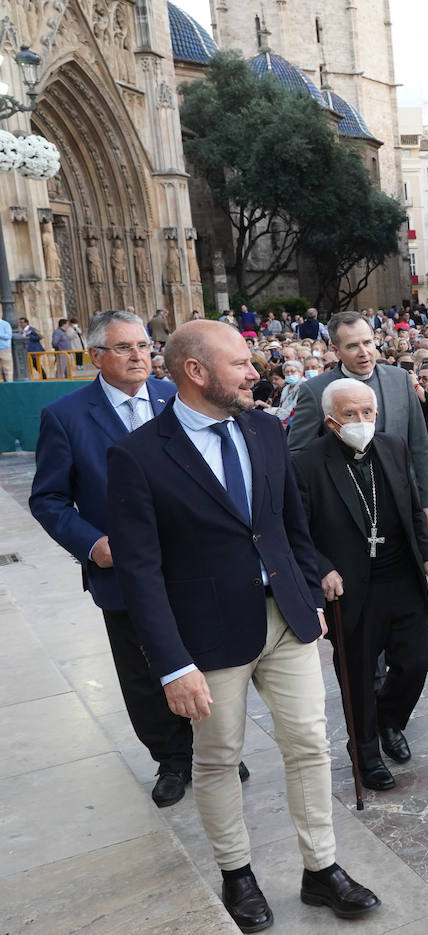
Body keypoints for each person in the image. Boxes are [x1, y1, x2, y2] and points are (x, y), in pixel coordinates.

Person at [106, 321, 379, 930]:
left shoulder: (264, 428)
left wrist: (308, 592)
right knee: (219, 757)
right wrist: (173, 664)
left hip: (287, 618)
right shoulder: (138, 454)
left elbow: (287, 522)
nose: (255, 371)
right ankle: (237, 875)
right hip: (208, 635)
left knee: (309, 743)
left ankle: (322, 869)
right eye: (240, 363)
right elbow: (140, 573)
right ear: (196, 372)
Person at [29, 309, 221, 808]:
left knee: (203, 655)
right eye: (125, 347)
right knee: (143, 668)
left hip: (191, 561)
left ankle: (211, 748)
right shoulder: (67, 416)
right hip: (122, 571)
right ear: (95, 357)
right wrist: (94, 545)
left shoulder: (175, 397)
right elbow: (48, 499)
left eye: (144, 345)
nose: (140, 355)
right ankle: (172, 758)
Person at [292, 379, 428, 792]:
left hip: (400, 576)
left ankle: (389, 719)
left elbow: (411, 506)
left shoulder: (391, 446)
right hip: (351, 587)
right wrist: (321, 568)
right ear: (331, 421)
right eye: (350, 414)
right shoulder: (307, 464)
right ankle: (366, 752)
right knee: (357, 674)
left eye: (367, 412)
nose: (361, 421)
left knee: (417, 659)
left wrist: (427, 555)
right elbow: (297, 530)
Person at [287, 311, 428, 529]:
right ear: (335, 351)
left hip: (400, 501)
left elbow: (419, 444)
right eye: (352, 346)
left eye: (368, 342)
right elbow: (297, 453)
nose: (364, 352)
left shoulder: (399, 380)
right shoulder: (315, 391)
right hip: (343, 512)